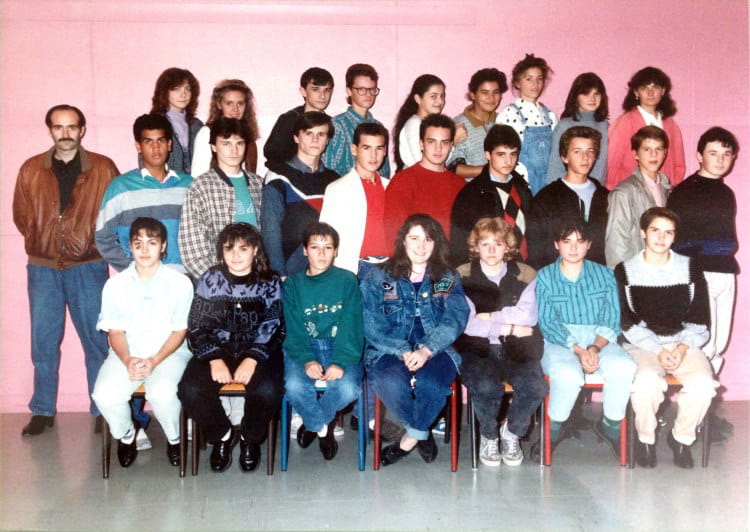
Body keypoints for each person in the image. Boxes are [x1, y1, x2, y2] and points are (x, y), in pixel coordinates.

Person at [13, 104, 119, 436]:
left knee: (96, 342)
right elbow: (21, 215)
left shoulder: (103, 168)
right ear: (50, 130)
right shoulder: (31, 169)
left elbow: (114, 213)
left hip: (88, 267)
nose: (65, 134)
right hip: (43, 269)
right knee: (43, 342)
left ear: (82, 130)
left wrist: (89, 243)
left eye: (71, 127)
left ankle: (102, 408)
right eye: (58, 127)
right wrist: (42, 239)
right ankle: (42, 410)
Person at [361, 214, 469, 466]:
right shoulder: (380, 276)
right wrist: (402, 350)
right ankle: (422, 431)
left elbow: (454, 317)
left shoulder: (444, 277)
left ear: (436, 243)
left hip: (436, 346)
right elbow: (371, 322)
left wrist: (427, 349)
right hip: (389, 346)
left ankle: (409, 439)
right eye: (415, 238)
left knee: (431, 383)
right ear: (403, 241)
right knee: (388, 380)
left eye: (428, 239)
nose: (421, 246)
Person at [615, 207, 717, 468]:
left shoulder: (690, 267)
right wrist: (658, 350)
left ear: (675, 236)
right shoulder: (625, 270)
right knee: (647, 381)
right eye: (655, 230)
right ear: (643, 233)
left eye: (668, 232)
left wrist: (682, 348)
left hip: (683, 342)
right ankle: (645, 440)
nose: (661, 238)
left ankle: (681, 439)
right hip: (642, 344)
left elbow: (700, 317)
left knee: (704, 385)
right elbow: (627, 321)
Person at [178, 223, 284, 473]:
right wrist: (214, 359)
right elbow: (197, 325)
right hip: (218, 350)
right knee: (190, 390)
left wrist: (252, 358)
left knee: (268, 390)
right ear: (221, 251)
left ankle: (249, 437)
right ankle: (222, 435)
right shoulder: (210, 279)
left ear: (255, 250)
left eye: (243, 249)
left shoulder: (270, 281)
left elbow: (274, 325)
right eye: (229, 249)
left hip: (259, 350)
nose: (235, 256)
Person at [92, 218, 193, 468]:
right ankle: (127, 434)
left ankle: (175, 438)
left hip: (169, 353)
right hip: (128, 353)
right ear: (130, 247)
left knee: (162, 392)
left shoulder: (180, 282)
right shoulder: (115, 285)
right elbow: (115, 331)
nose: (144, 250)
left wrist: (154, 360)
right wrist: (127, 359)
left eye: (152, 243)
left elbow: (179, 331)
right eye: (138, 244)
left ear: (163, 246)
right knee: (104, 394)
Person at [536, 222, 635, 459]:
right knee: (568, 374)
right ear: (556, 245)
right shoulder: (544, 276)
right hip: (559, 341)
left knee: (624, 366)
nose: (573, 248)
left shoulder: (605, 275)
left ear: (589, 245)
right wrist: (580, 350)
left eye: (580, 241)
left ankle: (610, 426)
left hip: (600, 339)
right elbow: (547, 322)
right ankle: (554, 429)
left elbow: (612, 318)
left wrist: (594, 348)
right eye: (567, 241)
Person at [455, 218, 546, 467]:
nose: (492, 250)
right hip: (478, 348)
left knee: (536, 387)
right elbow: (467, 323)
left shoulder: (526, 273)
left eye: (498, 243)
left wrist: (488, 317)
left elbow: (528, 316)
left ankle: (512, 433)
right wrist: (509, 327)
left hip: (517, 348)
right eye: (485, 244)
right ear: (476, 247)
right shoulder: (461, 274)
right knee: (486, 386)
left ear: (508, 246)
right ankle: (489, 436)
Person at [282, 222, 364, 460]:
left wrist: (340, 361)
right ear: (304, 250)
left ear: (335, 251)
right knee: (294, 386)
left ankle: (313, 424)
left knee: (348, 388)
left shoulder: (347, 280)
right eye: (314, 247)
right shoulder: (293, 284)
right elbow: (293, 327)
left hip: (340, 346)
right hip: (304, 346)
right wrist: (307, 359)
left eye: (327, 247)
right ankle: (322, 429)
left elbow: (352, 324)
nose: (321, 253)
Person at [667, 127, 739, 376]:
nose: (720, 160)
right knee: (702, 341)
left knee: (719, 343)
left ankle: (708, 399)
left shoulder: (726, 193)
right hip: (700, 273)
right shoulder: (684, 192)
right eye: (713, 153)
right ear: (699, 156)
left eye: (726, 154)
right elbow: (678, 242)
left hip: (725, 272)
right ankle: (697, 396)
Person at [96, 113, 192, 274]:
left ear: (169, 144)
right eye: (148, 141)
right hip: (139, 280)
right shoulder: (121, 187)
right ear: (138, 146)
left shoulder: (189, 185)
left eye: (161, 140)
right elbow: (103, 237)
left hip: (183, 278)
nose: (156, 147)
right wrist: (133, 269)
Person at [179, 117, 263, 280]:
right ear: (214, 146)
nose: (234, 150)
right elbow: (192, 250)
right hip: (218, 282)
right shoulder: (200, 187)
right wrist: (219, 282)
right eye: (226, 143)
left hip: (256, 279)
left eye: (239, 143)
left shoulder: (258, 184)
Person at [262, 111, 340, 277]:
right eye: (308, 133)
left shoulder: (335, 180)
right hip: (291, 271)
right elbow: (271, 232)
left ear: (327, 141)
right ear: (296, 137)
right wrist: (279, 274)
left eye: (321, 134)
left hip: (327, 271)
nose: (315, 140)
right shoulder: (278, 177)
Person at [527, 126, 609, 269]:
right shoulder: (546, 198)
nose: (585, 157)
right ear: (564, 157)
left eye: (590, 151)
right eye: (577, 151)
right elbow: (536, 248)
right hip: (558, 276)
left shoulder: (605, 196)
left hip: (597, 275)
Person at [450, 124, 532, 266]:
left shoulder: (522, 187)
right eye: (501, 154)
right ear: (487, 155)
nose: (508, 161)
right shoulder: (471, 194)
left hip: (526, 268)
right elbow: (460, 246)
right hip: (489, 270)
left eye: (513, 154)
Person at [320, 122, 391, 274]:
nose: (373, 155)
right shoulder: (337, 189)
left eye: (379, 148)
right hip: (354, 269)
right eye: (366, 148)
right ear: (354, 149)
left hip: (390, 268)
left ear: (385, 151)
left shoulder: (392, 187)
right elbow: (325, 238)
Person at [384, 113, 465, 243]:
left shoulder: (460, 184)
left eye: (444, 142)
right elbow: (393, 236)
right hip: (415, 255)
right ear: (421, 144)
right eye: (431, 142)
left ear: (451, 146)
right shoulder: (402, 181)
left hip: (453, 255)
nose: (438, 148)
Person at [606, 66, 685, 188]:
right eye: (644, 88)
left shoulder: (671, 126)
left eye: (655, 87)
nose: (650, 92)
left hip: (663, 192)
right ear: (636, 92)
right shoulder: (624, 122)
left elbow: (679, 166)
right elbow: (612, 165)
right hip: (632, 192)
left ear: (663, 90)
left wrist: (670, 189)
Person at [605, 126, 671, 268]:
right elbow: (617, 244)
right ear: (635, 154)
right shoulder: (624, 192)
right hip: (636, 272)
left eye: (658, 149)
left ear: (665, 153)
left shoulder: (668, 190)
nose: (653, 155)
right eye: (647, 149)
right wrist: (625, 277)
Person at [496, 54, 558, 195]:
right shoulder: (509, 114)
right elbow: (502, 156)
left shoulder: (550, 116)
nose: (535, 84)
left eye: (539, 79)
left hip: (548, 183)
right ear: (517, 83)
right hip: (522, 185)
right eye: (529, 79)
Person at [323, 63, 391, 178]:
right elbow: (328, 168)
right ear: (349, 91)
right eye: (361, 89)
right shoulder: (337, 125)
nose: (368, 94)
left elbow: (385, 170)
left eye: (372, 89)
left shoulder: (379, 126)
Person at [392, 74, 467, 172]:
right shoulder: (414, 124)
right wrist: (452, 142)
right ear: (418, 99)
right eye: (433, 96)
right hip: (416, 179)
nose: (440, 101)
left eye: (442, 96)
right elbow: (423, 164)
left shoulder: (431, 124)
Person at [546, 72, 609, 186]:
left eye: (596, 94)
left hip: (597, 189)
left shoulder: (604, 126)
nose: (592, 98)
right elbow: (555, 166)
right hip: (568, 189)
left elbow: (603, 165)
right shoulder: (565, 125)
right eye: (586, 94)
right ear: (575, 97)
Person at [264, 67, 335, 167]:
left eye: (327, 90)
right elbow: (272, 154)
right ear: (303, 91)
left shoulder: (333, 123)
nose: (322, 96)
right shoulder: (289, 119)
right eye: (315, 89)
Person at [447, 68, 509, 179]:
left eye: (496, 92)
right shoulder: (459, 125)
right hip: (472, 188)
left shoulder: (504, 121)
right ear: (473, 95)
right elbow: (454, 167)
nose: (491, 98)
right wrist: (491, 170)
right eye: (485, 92)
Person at [191, 79, 260, 176]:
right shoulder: (207, 133)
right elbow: (198, 174)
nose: (235, 109)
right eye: (229, 103)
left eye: (240, 104)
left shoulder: (249, 136)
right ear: (219, 104)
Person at [149, 67, 202, 174]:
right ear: (164, 92)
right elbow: (146, 159)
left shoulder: (197, 125)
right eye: (176, 89)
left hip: (195, 182)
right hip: (165, 182)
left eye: (187, 88)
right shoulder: (153, 123)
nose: (183, 94)